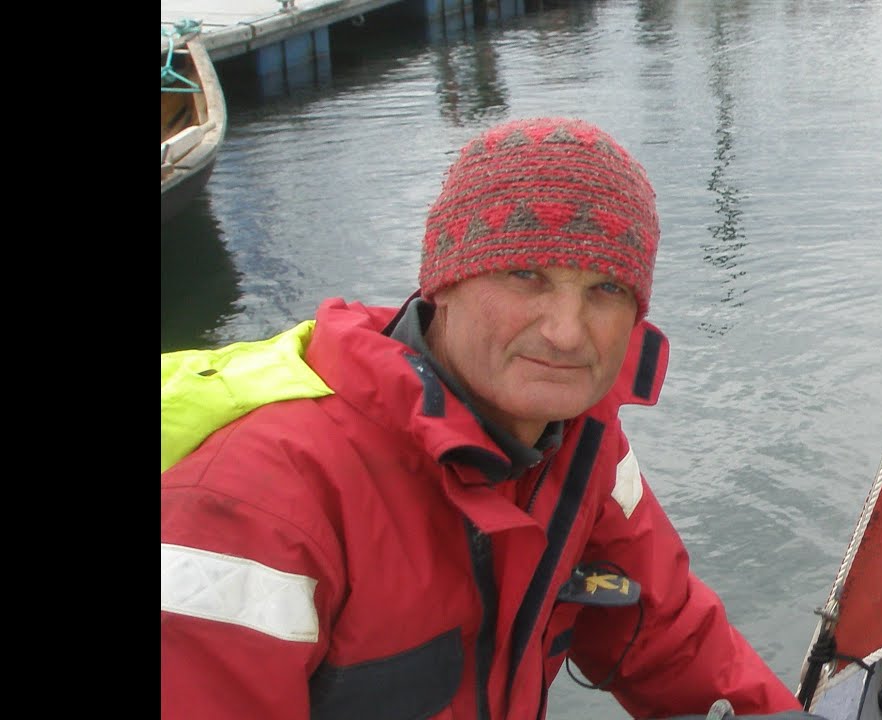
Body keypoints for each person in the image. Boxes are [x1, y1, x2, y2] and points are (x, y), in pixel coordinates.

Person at [161, 117, 814, 720]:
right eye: (525, 275)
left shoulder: (578, 442)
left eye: (606, 289)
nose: (566, 332)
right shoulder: (252, 506)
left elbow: (669, 641)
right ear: (444, 283)